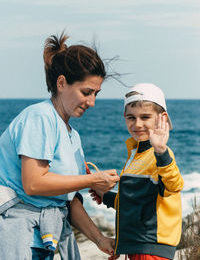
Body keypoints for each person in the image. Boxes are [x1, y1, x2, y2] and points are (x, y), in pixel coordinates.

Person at [0, 32, 120, 260]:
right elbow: (34, 183)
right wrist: (93, 180)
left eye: (96, 94)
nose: (92, 102)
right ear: (62, 83)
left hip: (45, 241)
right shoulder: (40, 117)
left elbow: (68, 201)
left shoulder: (72, 136)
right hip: (18, 237)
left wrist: (100, 239)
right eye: (86, 92)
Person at [92, 83, 184, 260]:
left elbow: (174, 186)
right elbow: (138, 201)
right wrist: (106, 196)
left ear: (161, 118)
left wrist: (161, 152)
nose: (137, 124)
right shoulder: (136, 154)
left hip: (151, 249)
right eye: (131, 118)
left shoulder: (161, 154)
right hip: (137, 248)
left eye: (145, 117)